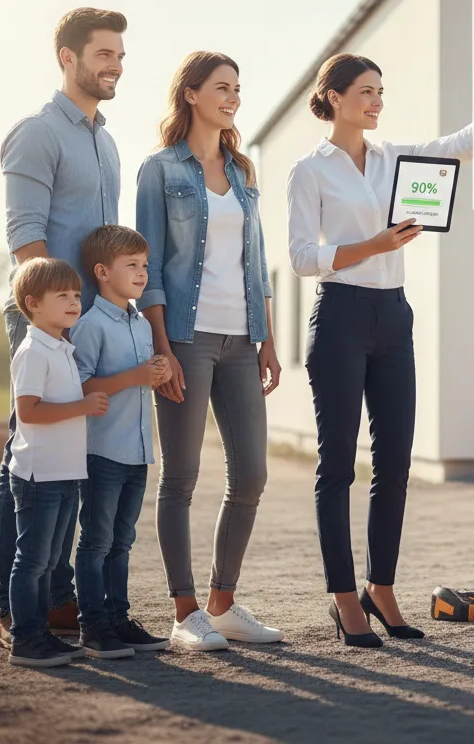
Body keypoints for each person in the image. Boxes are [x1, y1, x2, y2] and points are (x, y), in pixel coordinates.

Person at [287, 53, 474, 647]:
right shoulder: (310, 170)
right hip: (340, 316)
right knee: (337, 466)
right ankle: (343, 599)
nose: (376, 101)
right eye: (365, 91)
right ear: (332, 96)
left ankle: (380, 588)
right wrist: (374, 243)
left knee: (396, 461)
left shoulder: (395, 158)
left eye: (380, 91)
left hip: (393, 314)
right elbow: (304, 257)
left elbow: (466, 143)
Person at [136, 51, 283, 651]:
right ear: (191, 94)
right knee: (182, 476)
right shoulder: (159, 170)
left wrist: (268, 337)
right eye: (222, 88)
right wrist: (162, 349)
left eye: (238, 89)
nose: (233, 98)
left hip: (241, 339)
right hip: (188, 340)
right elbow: (145, 269)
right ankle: (185, 612)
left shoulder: (243, 173)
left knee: (251, 473)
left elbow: (258, 263)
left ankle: (223, 604)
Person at [0, 7, 126, 651]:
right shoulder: (38, 132)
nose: (115, 65)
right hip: (42, 320)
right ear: (67, 58)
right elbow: (27, 240)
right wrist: (53, 319)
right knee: (24, 458)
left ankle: (56, 598)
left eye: (120, 55)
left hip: (86, 319)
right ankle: (11, 606)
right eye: (103, 54)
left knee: (69, 461)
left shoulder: (105, 140)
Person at [70, 225, 172, 659]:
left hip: (138, 450)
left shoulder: (142, 322)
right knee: (95, 541)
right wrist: (134, 377)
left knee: (122, 540)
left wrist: (160, 370)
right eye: (131, 265)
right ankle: (92, 626)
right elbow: (79, 385)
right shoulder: (90, 325)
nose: (141, 273)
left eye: (145, 265)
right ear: (102, 272)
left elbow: (143, 377)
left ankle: (117, 619)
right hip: (103, 450)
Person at [6, 258, 109, 668]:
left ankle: (39, 633)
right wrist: (82, 405)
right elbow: (28, 411)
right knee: (31, 561)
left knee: (49, 562)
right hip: (39, 475)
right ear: (33, 303)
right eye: (62, 295)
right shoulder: (33, 351)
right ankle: (25, 639)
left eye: (76, 294)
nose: (73, 301)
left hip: (65, 474)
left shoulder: (62, 346)